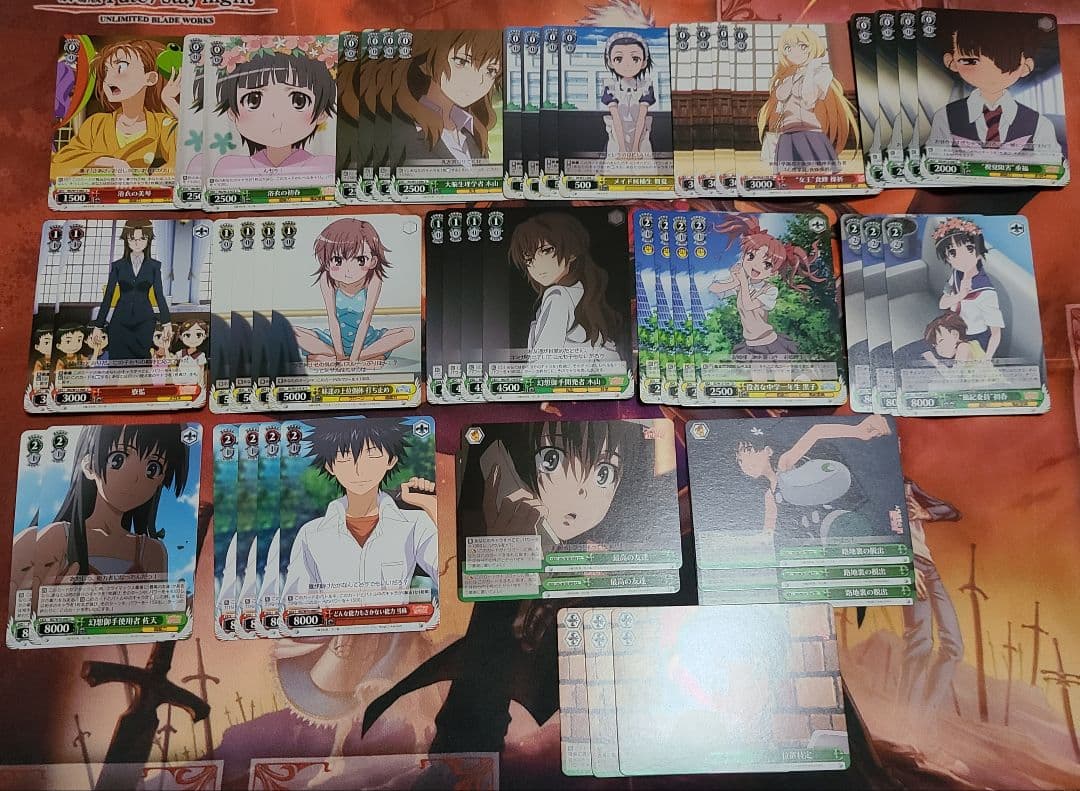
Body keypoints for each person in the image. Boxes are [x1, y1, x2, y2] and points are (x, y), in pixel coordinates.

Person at [282, 419, 438, 604]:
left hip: (394, 623)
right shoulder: (310, 534)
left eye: (372, 454)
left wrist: (430, 504)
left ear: (391, 460)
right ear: (330, 466)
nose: (359, 469)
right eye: (345, 457)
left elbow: (447, 574)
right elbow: (295, 604)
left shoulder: (415, 524)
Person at [35, 424, 190, 582]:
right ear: (89, 465)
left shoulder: (151, 551)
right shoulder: (58, 538)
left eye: (152, 469)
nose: (135, 478)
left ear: (161, 480)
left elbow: (159, 598)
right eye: (118, 460)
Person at [734, 415, 900, 542]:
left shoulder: (784, 465)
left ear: (768, 451)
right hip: (818, 542)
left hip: (837, 524)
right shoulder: (769, 496)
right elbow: (767, 533)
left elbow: (817, 432)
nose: (745, 462)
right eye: (740, 459)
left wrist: (858, 431)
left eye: (749, 451)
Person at [360, 30, 503, 169]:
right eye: (462, 61)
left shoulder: (473, 132)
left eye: (490, 71)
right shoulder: (397, 130)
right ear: (429, 57)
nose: (478, 81)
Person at [927, 23, 1062, 160]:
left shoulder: (1040, 124)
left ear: (1026, 66)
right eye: (971, 61)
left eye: (1005, 63)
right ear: (951, 62)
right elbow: (933, 161)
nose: (989, 73)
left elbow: (1052, 165)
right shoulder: (944, 117)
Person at [51, 39, 181, 180]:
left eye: (121, 68)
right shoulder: (96, 123)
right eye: (106, 71)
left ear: (150, 78)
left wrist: (170, 102)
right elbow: (61, 162)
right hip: (95, 191)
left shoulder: (160, 124)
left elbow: (188, 157)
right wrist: (112, 163)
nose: (108, 80)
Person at [508, 212, 623, 367]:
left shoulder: (558, 296)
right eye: (529, 259)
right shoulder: (583, 292)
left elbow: (543, 362)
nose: (537, 264)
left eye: (546, 250)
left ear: (573, 251)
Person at [293, 218, 414, 365]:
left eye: (360, 260)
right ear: (326, 263)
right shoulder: (327, 279)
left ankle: (338, 359)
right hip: (332, 340)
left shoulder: (373, 279)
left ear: (373, 262)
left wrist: (354, 358)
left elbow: (366, 319)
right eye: (338, 260)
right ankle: (364, 358)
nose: (349, 270)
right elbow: (332, 318)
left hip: (366, 340)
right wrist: (339, 355)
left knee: (409, 332)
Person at [212, 36, 337, 178]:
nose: (275, 115)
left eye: (299, 100)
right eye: (253, 100)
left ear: (321, 114)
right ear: (232, 112)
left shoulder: (325, 166)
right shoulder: (229, 167)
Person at [707, 214, 823, 358]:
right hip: (750, 345)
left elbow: (749, 305)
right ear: (743, 257)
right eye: (751, 256)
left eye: (767, 264)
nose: (756, 265)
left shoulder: (770, 290)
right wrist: (734, 282)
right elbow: (713, 288)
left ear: (773, 273)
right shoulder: (741, 284)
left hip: (770, 343)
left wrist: (742, 281)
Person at [898, 479, 964, 712]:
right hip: (908, 565)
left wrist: (925, 512)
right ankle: (906, 720)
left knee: (954, 646)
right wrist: (903, 564)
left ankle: (923, 720)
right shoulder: (871, 487)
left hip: (928, 567)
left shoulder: (906, 484)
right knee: (921, 642)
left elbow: (953, 511)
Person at [757, 26, 857, 173]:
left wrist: (809, 71)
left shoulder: (822, 73)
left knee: (818, 173)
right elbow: (780, 96)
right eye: (788, 48)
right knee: (787, 176)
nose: (795, 52)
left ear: (814, 47)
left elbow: (809, 99)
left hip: (810, 131)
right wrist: (791, 77)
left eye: (802, 46)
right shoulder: (788, 77)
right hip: (787, 131)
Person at [91, 219, 171, 362]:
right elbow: (109, 295)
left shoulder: (154, 266)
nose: (137, 243)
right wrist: (98, 325)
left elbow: (159, 295)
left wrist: (167, 323)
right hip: (120, 320)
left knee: (142, 362)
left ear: (148, 240)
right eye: (132, 239)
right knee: (117, 360)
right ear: (126, 239)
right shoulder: (118, 266)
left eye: (142, 238)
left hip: (144, 320)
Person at [933, 217, 1004, 360]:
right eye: (953, 253)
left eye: (969, 249)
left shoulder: (986, 292)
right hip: (953, 332)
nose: (961, 258)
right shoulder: (956, 274)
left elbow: (996, 333)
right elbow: (943, 303)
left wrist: (987, 360)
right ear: (947, 258)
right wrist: (960, 295)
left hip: (975, 340)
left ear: (979, 253)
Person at [600, 31, 656, 171]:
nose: (627, 65)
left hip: (641, 136)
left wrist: (636, 148)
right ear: (610, 62)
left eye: (635, 58)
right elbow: (616, 118)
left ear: (644, 62)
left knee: (644, 170)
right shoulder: (610, 86)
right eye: (619, 59)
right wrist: (622, 149)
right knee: (616, 171)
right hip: (617, 136)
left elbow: (641, 117)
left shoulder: (646, 86)